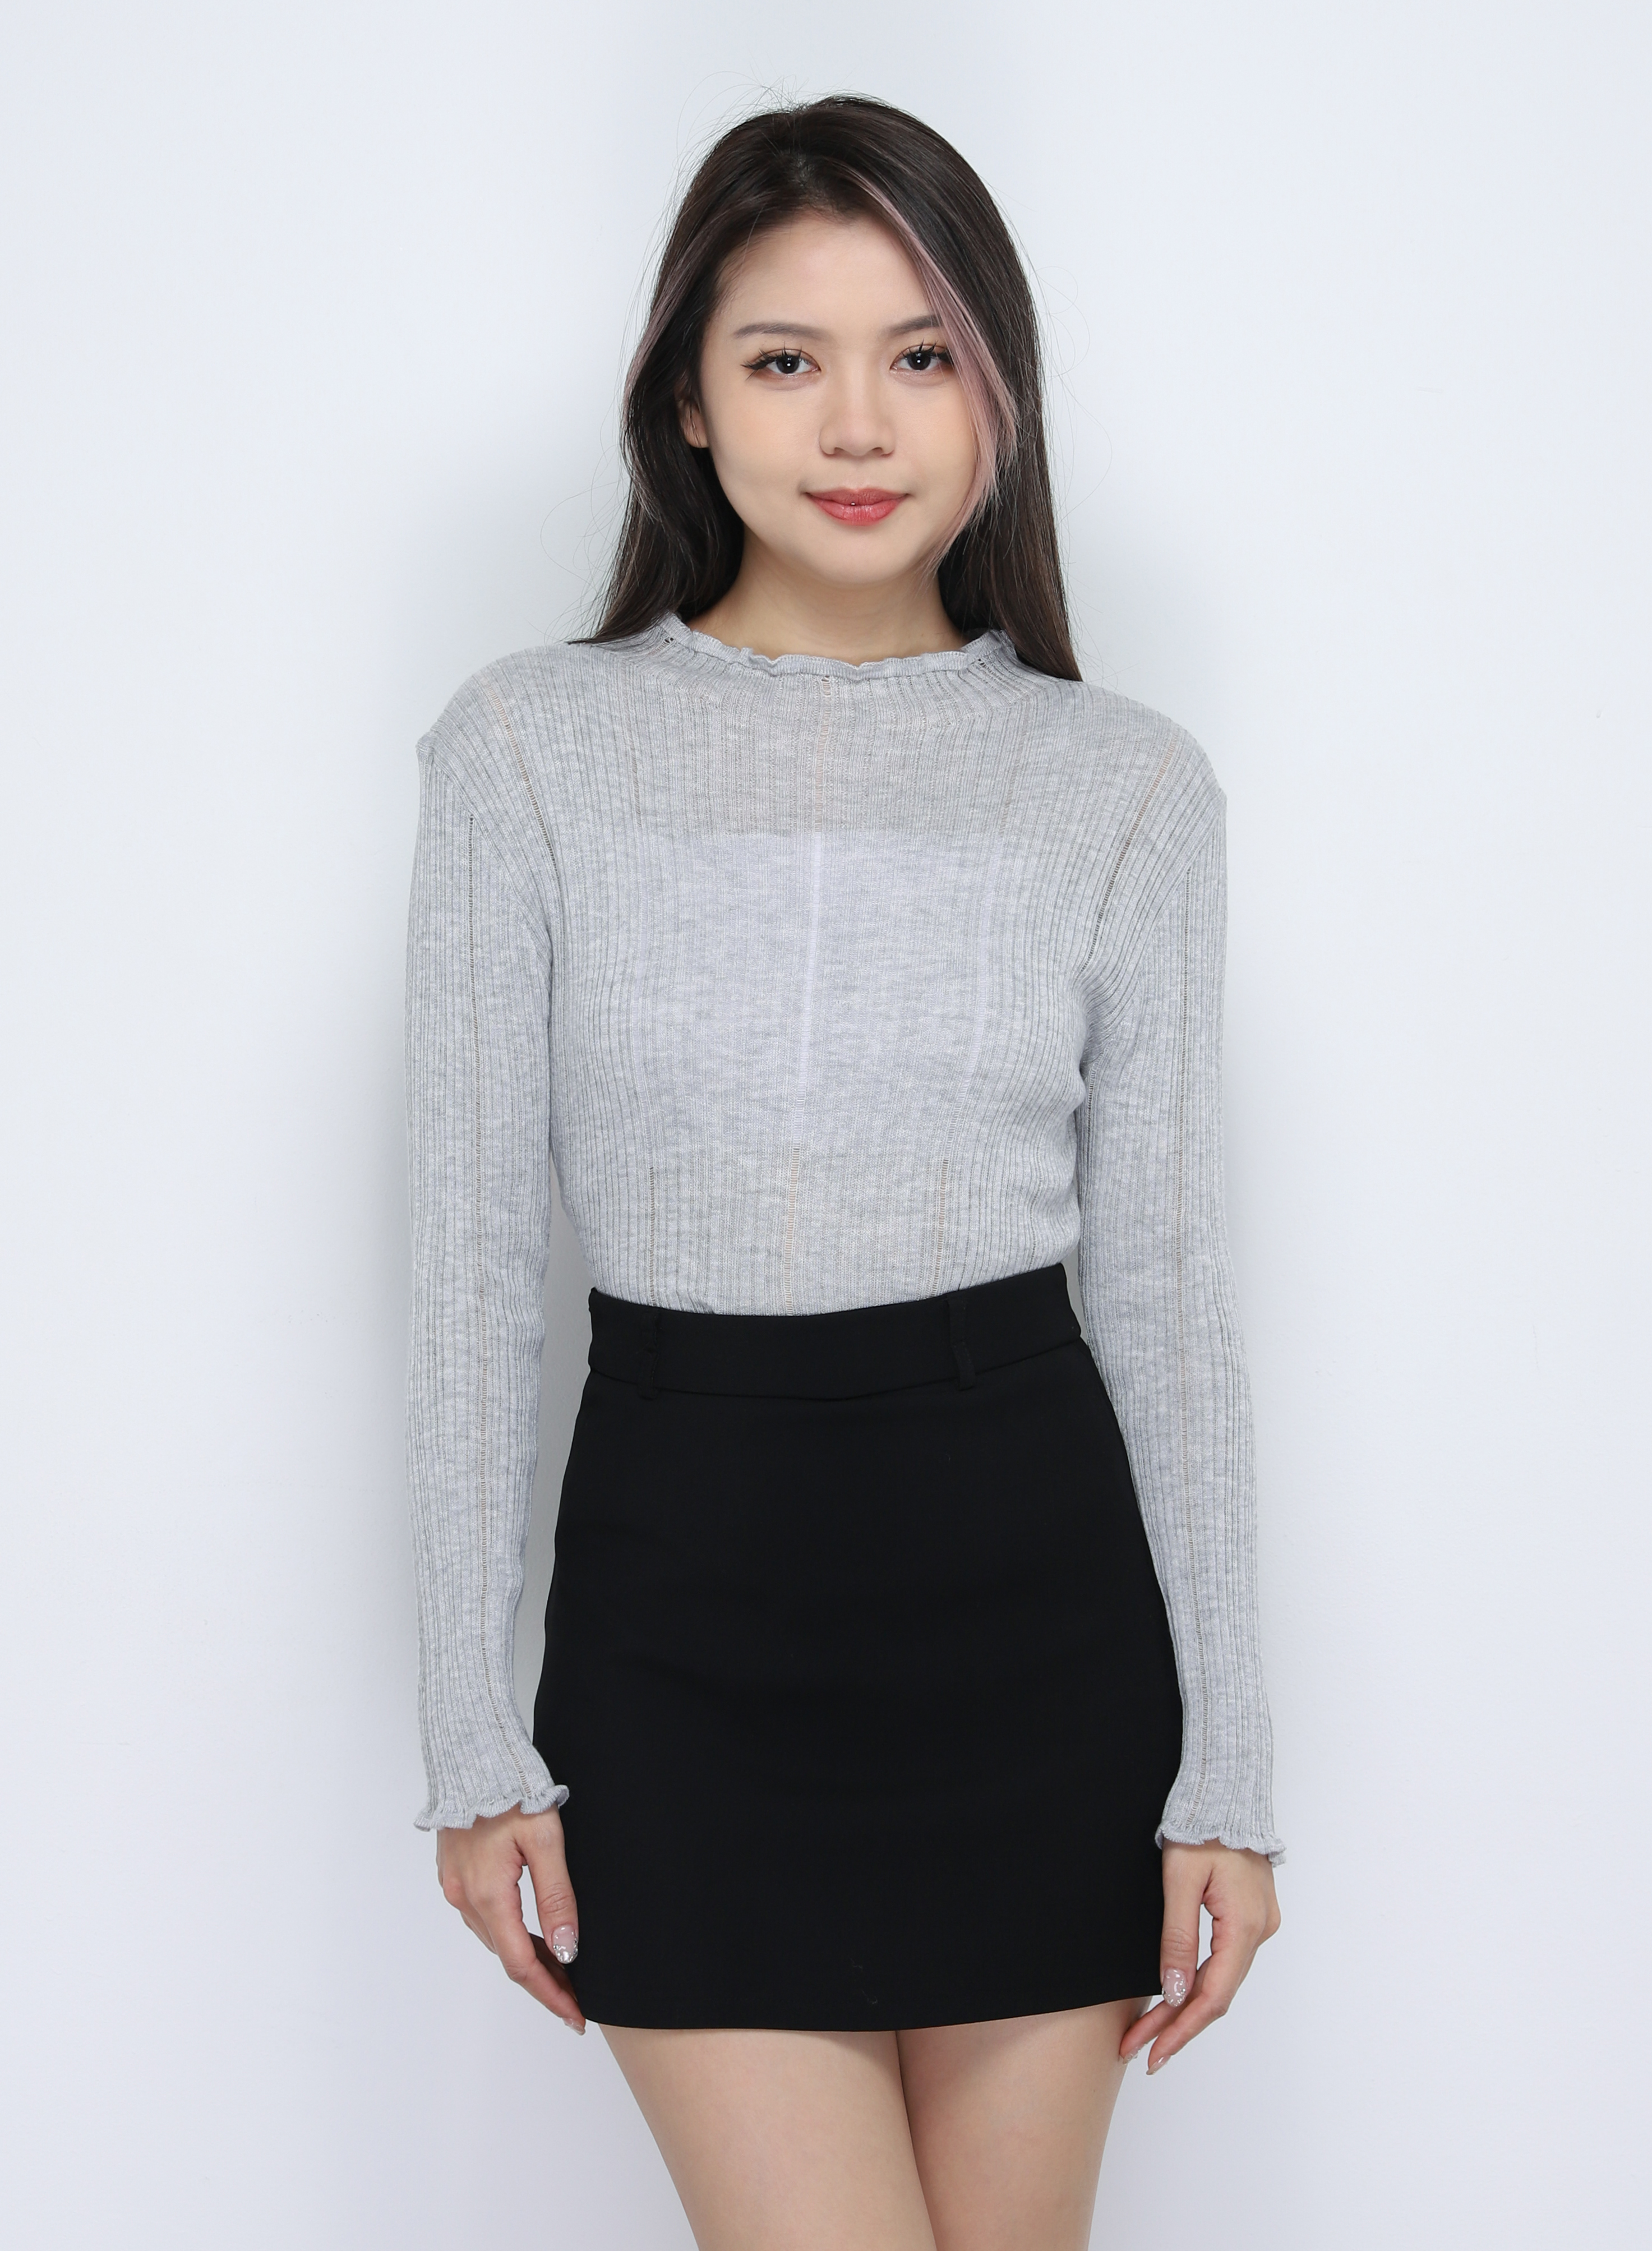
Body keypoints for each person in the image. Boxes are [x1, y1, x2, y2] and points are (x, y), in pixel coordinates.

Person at [404, 94, 1283, 2251]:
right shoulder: (525, 749)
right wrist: (473, 1746)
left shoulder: (1124, 787)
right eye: (785, 358)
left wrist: (1228, 1777)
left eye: (921, 355)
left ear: (998, 396)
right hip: (681, 1622)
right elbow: (466, 1270)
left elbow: (1168, 1299)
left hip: (1035, 1625)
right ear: (688, 404)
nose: (859, 424)